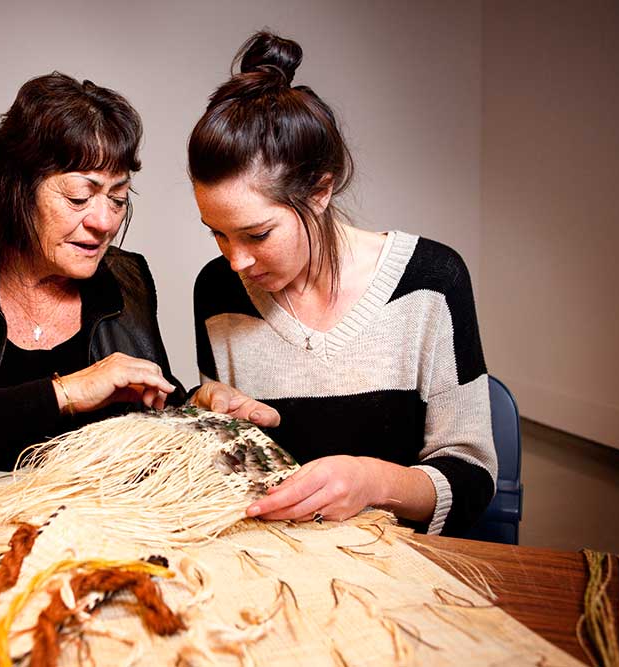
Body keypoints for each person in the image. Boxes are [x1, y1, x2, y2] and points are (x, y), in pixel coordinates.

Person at [0, 72, 276, 482]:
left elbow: (146, 414)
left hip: (86, 541)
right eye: (79, 196)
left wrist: (193, 407)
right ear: (14, 187)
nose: (104, 221)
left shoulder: (128, 281)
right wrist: (64, 394)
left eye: (119, 198)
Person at [188, 32, 496, 536]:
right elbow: (231, 474)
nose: (236, 260)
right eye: (217, 234)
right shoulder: (216, 292)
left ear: (320, 190)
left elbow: (473, 481)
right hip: (269, 571)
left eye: (257, 234)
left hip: (400, 573)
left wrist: (371, 482)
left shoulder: (431, 284)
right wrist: (203, 418)